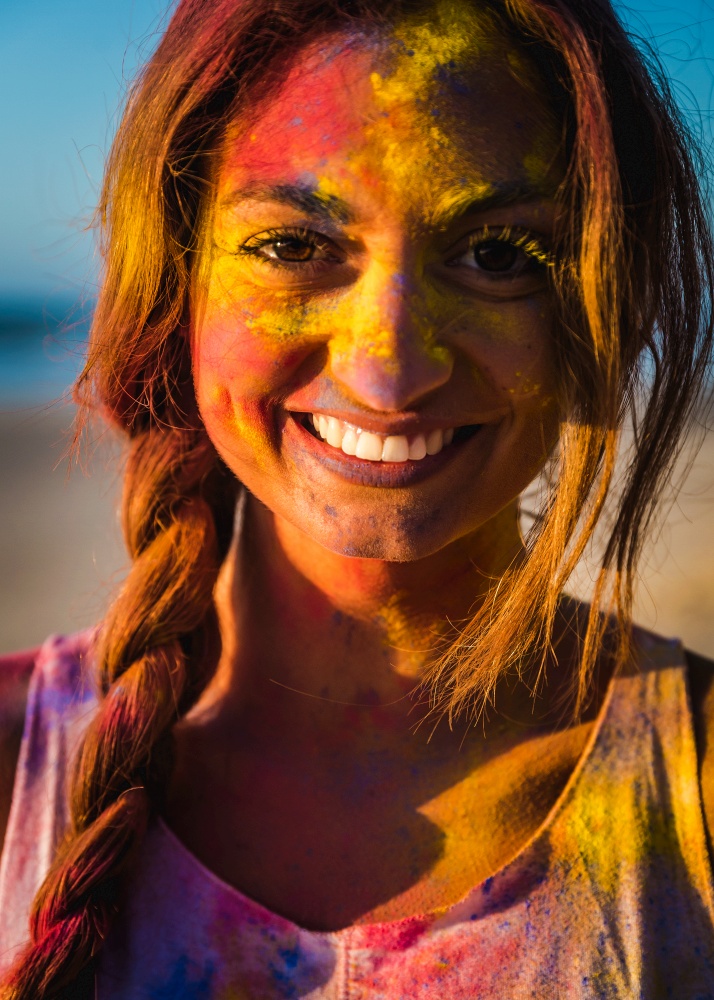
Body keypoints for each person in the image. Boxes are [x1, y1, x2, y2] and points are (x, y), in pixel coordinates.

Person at [1, 0, 713, 995]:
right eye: (295, 246)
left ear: (610, 306)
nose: (389, 375)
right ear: (176, 281)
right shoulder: (13, 770)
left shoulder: (694, 799)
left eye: (499, 255)